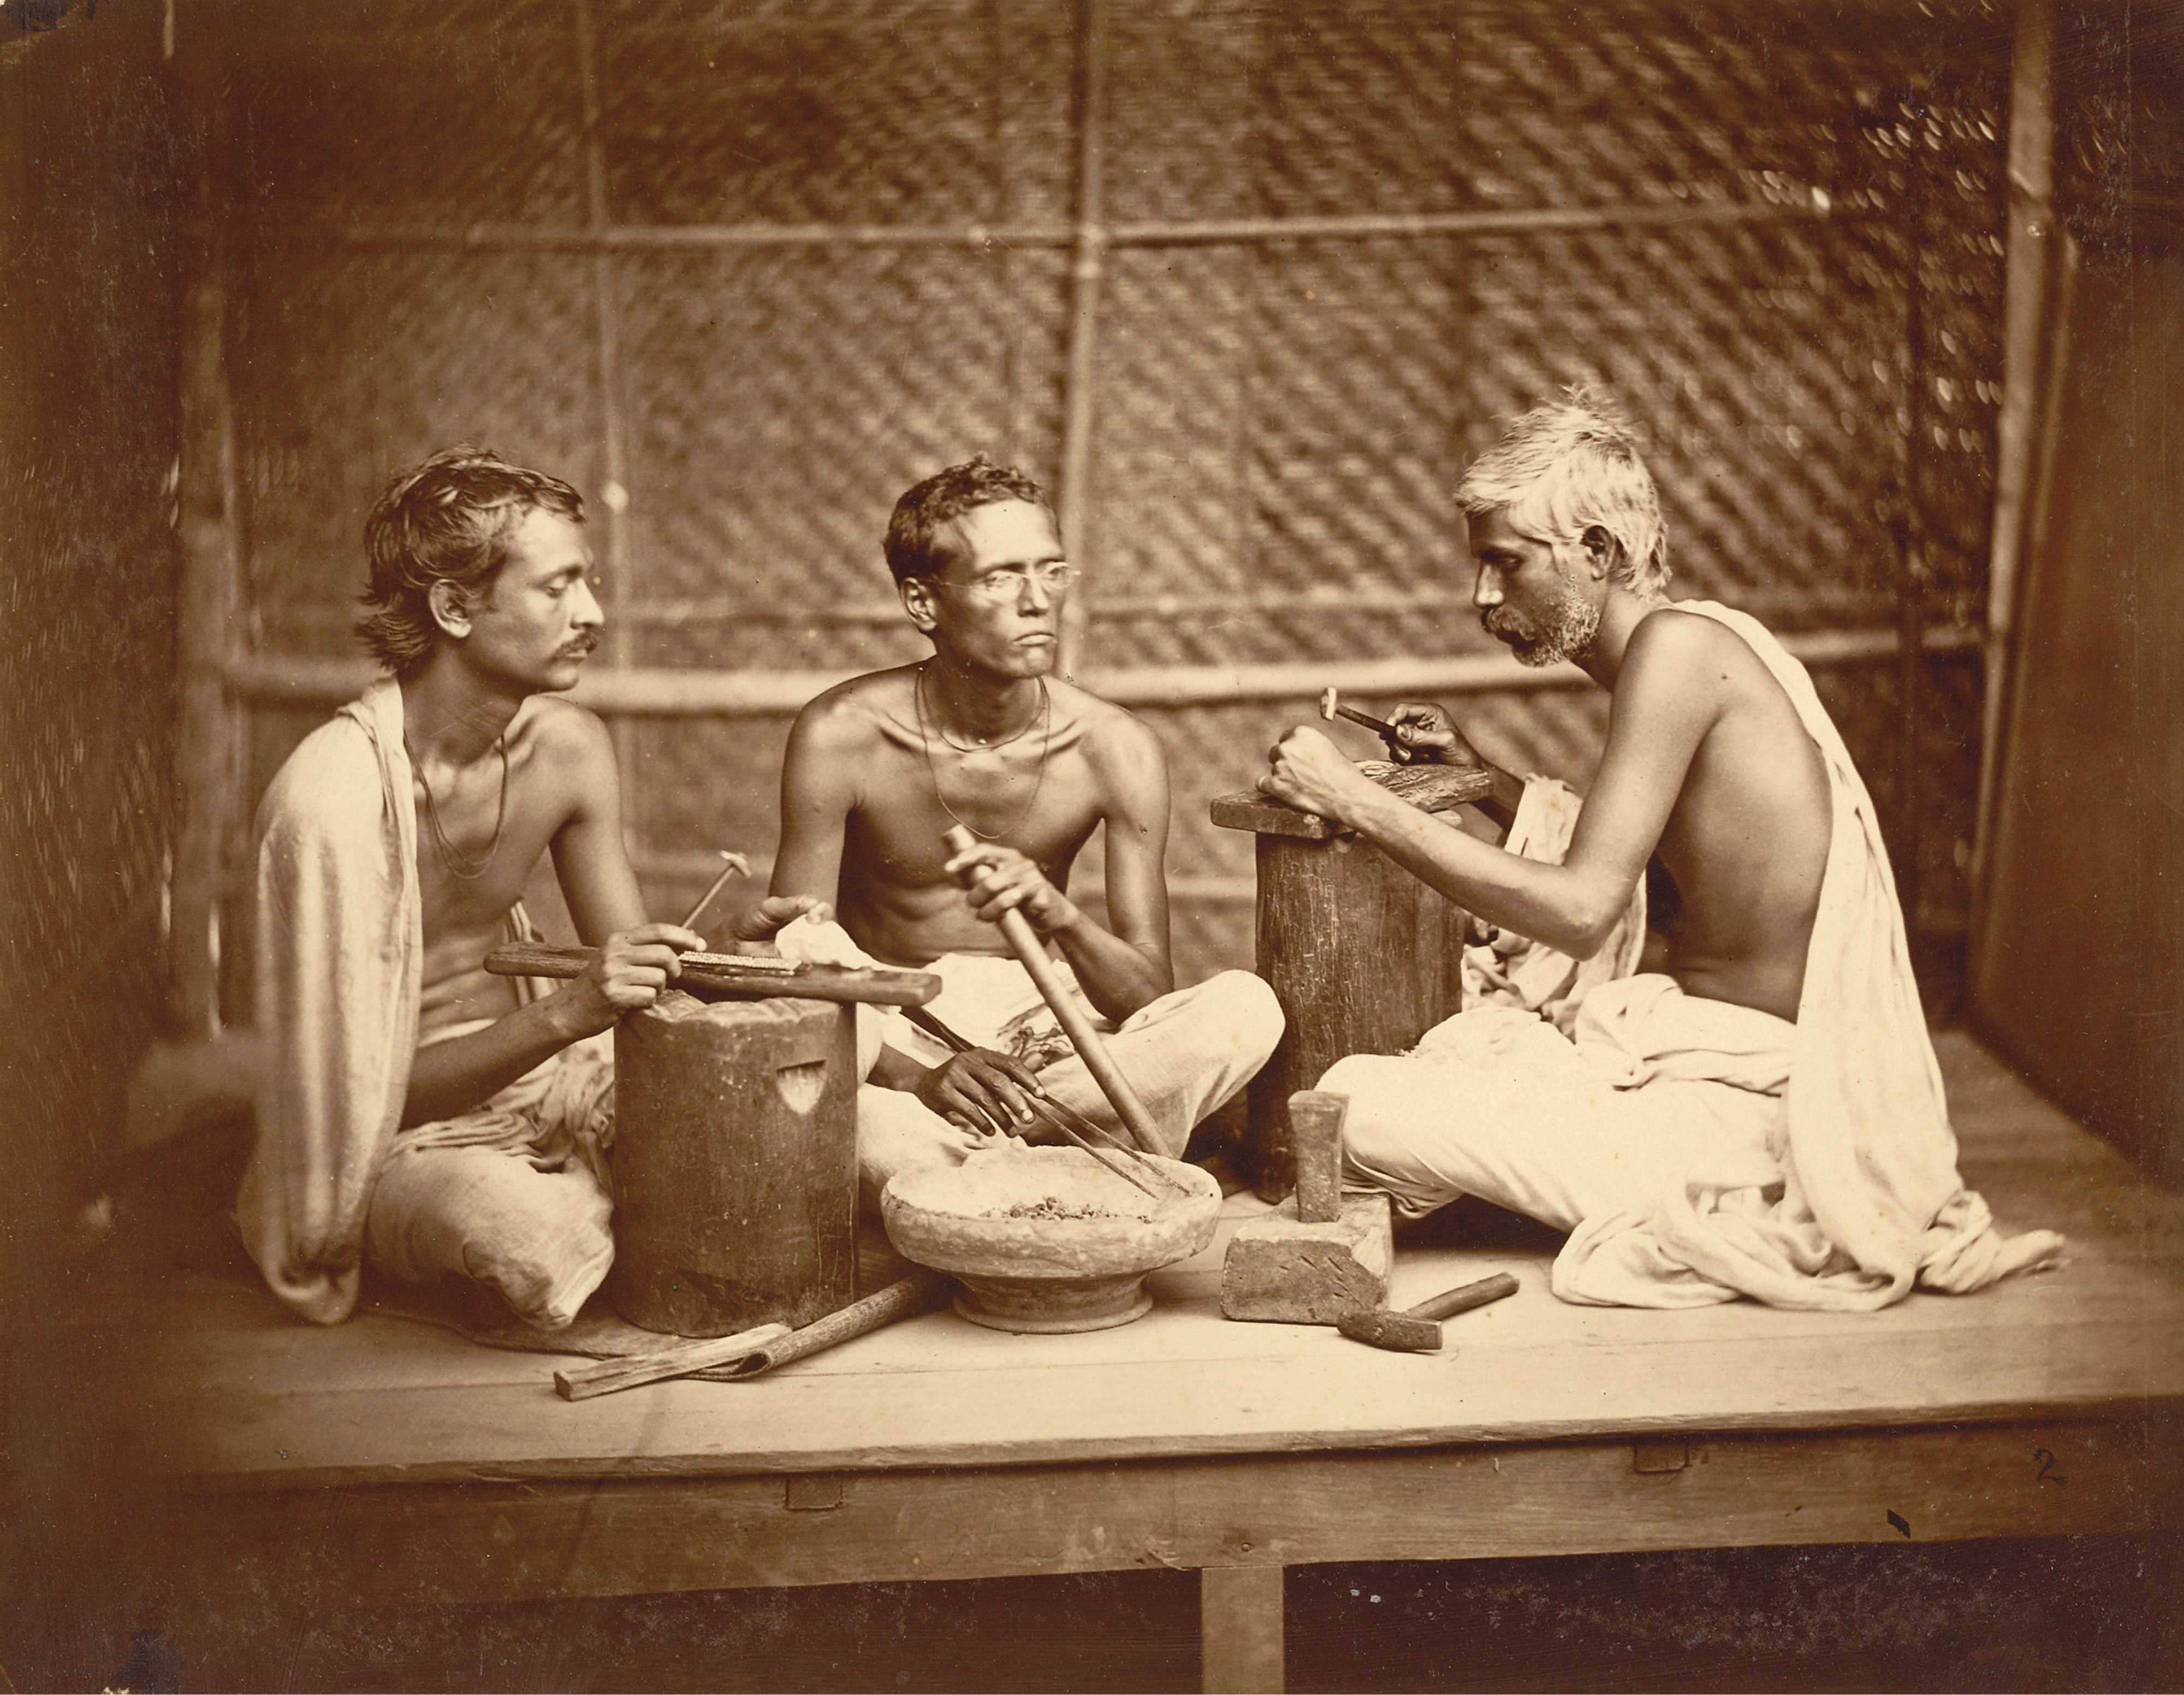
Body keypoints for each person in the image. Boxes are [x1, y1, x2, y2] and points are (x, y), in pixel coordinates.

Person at [1258, 390, 2062, 1311]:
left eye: (1506, 562)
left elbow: (1583, 908)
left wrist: (1352, 799)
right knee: (1461, 1047)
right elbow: (1657, 870)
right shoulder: (1698, 643)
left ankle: (1692, 1190)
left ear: (1598, 553)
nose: (1481, 595)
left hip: (1756, 1111)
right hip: (1710, 1062)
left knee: (1356, 1101)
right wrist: (1479, 776)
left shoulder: (1675, 652)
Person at [239, 448, 814, 1328]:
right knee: (538, 1242)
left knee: (781, 1142)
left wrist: (723, 951)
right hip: (402, 1134)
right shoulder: (327, 802)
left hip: (555, 1078)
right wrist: (564, 1014)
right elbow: (345, 1108)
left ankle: (609, 1195)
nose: (593, 614)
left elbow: (635, 996)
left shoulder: (565, 749)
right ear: (454, 608)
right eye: (557, 588)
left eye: (588, 582)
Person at [770, 456, 1281, 1200]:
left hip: (1046, 1031)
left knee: (1244, 1008)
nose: (1039, 601)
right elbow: (797, 959)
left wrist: (1058, 914)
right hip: (897, 1027)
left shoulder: (1116, 747)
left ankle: (993, 1171)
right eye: (1001, 577)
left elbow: (1147, 993)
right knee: (871, 1121)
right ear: (923, 601)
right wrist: (918, 1079)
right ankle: (1076, 1160)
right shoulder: (840, 733)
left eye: (1053, 570)